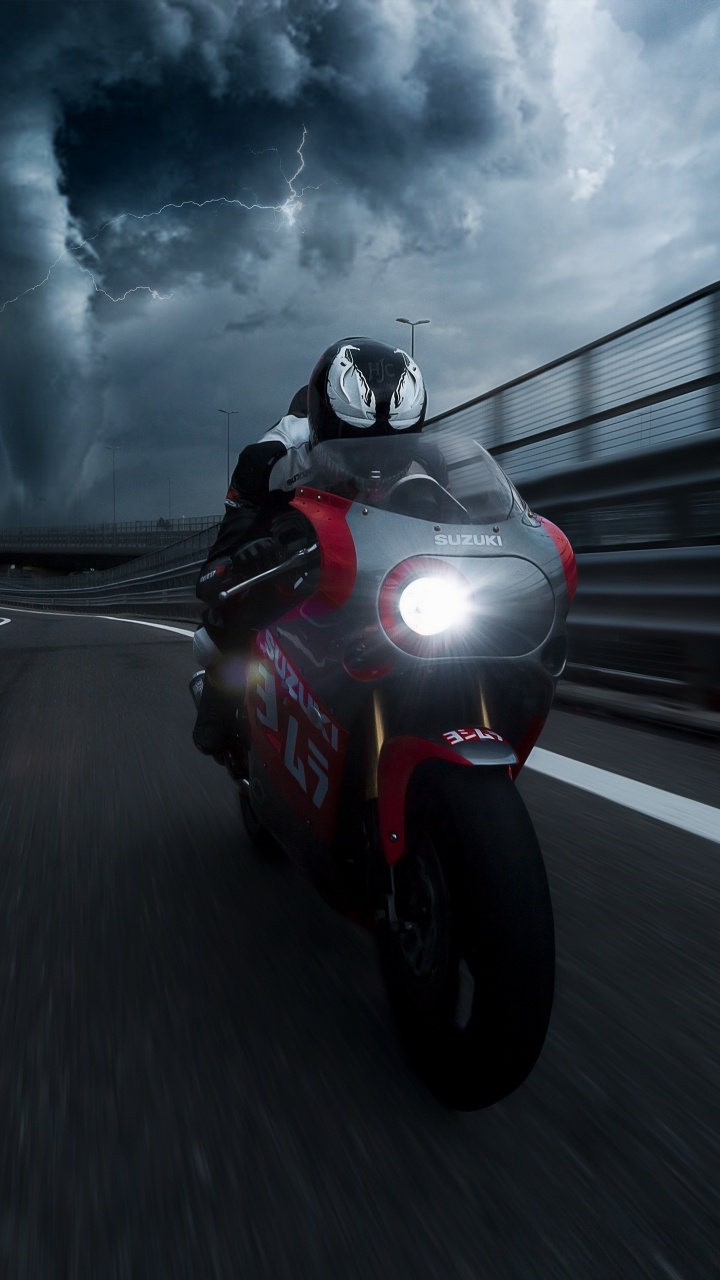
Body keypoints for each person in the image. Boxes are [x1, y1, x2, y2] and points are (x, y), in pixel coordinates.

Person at [192, 336, 428, 757]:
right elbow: (221, 560)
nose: (374, 466)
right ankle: (218, 695)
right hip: (292, 547)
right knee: (228, 619)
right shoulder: (269, 460)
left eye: (392, 446)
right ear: (323, 425)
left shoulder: (428, 463)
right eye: (356, 443)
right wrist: (247, 555)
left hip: (381, 561)